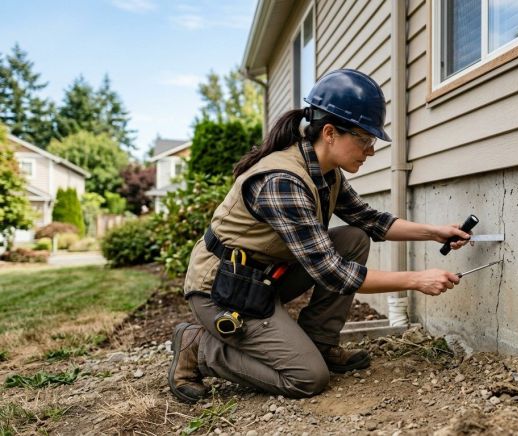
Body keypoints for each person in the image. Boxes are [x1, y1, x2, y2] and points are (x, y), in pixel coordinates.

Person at [168, 69, 471, 403]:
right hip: (225, 290)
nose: (369, 151)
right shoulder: (283, 182)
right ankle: (198, 348)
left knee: (354, 237)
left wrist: (435, 233)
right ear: (330, 133)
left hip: (263, 279)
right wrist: (416, 279)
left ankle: (319, 343)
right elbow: (331, 272)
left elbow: (369, 220)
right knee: (306, 378)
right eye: (364, 140)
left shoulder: (326, 173)